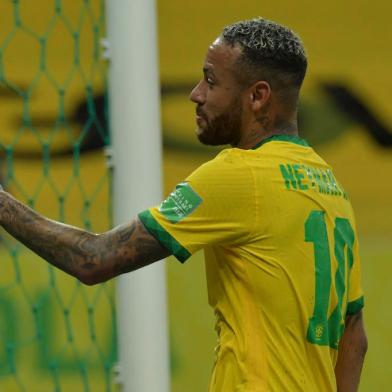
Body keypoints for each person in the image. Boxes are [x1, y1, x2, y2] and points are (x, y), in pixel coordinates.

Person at [0, 18, 367, 391]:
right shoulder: (330, 188)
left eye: (210, 81)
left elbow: (94, 258)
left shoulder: (239, 174)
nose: (195, 94)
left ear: (257, 96)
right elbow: (354, 335)